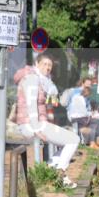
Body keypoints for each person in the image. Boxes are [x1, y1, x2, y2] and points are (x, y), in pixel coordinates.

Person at [13, 54, 79, 188]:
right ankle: (59, 173)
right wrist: (37, 129)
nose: (48, 68)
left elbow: (41, 105)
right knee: (73, 140)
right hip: (31, 124)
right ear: (36, 64)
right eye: (44, 64)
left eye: (50, 65)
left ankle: (50, 169)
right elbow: (31, 106)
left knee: (69, 140)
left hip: (35, 123)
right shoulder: (32, 78)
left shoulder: (41, 80)